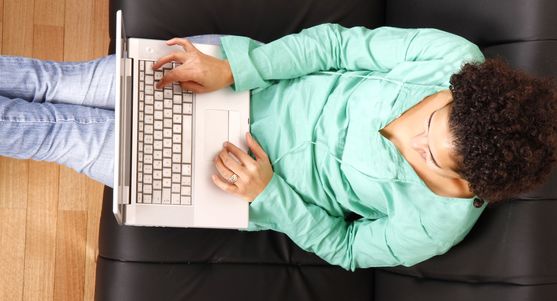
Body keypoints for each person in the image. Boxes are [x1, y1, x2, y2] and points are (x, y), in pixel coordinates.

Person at [0, 25, 555, 271]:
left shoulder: (436, 224)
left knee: (55, 131)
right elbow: (337, 45)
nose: (406, 136)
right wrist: (237, 66)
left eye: (429, 157)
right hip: (236, 81)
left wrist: (270, 197)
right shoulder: (450, 58)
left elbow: (348, 249)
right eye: (430, 118)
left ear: (470, 183)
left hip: (227, 180)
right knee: (54, 83)